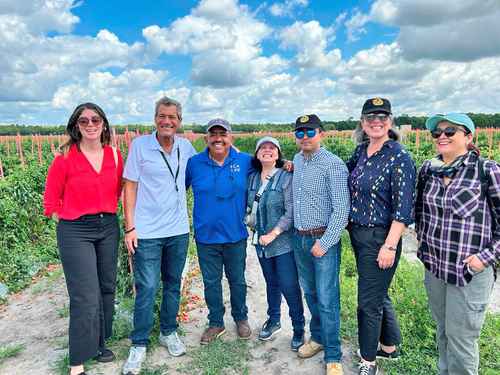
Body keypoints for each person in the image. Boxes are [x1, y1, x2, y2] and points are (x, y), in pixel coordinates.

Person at [415, 113, 499, 375]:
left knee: (462, 341)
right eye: (437, 132)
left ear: (468, 137)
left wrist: (483, 258)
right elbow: (420, 214)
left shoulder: (487, 171)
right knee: (443, 333)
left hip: (469, 272)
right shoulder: (428, 170)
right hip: (436, 270)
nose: (442, 136)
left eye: (450, 131)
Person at [43, 103, 123, 375]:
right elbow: (51, 199)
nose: (90, 124)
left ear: (103, 123)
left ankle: (100, 344)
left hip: (108, 226)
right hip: (75, 230)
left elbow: (121, 190)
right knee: (84, 295)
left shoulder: (114, 154)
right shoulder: (65, 156)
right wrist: (67, 219)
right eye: (84, 120)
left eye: (95, 119)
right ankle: (77, 359)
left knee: (106, 288)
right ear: (75, 125)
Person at [122, 97, 196, 375]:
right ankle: (139, 343)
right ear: (155, 118)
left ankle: (168, 331)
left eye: (173, 117)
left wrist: (274, 160)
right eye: (162, 116)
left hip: (178, 229)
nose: (167, 121)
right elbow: (129, 187)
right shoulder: (140, 146)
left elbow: (216, 158)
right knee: (148, 286)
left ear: (179, 121)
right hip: (148, 231)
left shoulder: (186, 147)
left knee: (173, 283)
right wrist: (130, 227)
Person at [346, 98, 416, 375]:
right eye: (370, 117)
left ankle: (368, 361)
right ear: (362, 123)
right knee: (377, 292)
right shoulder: (362, 151)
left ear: (390, 121)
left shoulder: (399, 156)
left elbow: (403, 209)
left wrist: (389, 245)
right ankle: (389, 346)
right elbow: (342, 174)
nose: (376, 122)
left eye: (382, 117)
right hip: (359, 234)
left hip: (381, 238)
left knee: (368, 302)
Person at [291, 114, 350, 375]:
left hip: (322, 239)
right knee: (311, 293)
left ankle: (334, 354)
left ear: (321, 134)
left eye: (310, 132)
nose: (305, 137)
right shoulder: (296, 160)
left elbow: (342, 210)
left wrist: (325, 243)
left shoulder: (333, 165)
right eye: (300, 133)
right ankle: (318, 338)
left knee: (327, 299)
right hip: (299, 238)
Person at [186, 119, 253, 344]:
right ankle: (216, 322)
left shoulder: (245, 161)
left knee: (237, 280)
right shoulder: (194, 163)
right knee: (211, 282)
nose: (218, 138)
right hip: (206, 237)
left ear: (230, 138)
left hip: (236, 235)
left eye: (222, 134)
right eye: (213, 134)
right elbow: (176, 189)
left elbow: (270, 166)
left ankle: (241, 318)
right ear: (206, 138)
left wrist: (287, 163)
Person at [247, 136, 305, 351]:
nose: (268, 150)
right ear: (257, 153)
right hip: (261, 244)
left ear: (279, 154)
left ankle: (299, 328)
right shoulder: (252, 178)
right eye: (263, 147)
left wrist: (274, 233)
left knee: (289, 286)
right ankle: (274, 320)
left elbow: (291, 211)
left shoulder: (286, 176)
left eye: (272, 148)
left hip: (282, 243)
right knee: (271, 283)